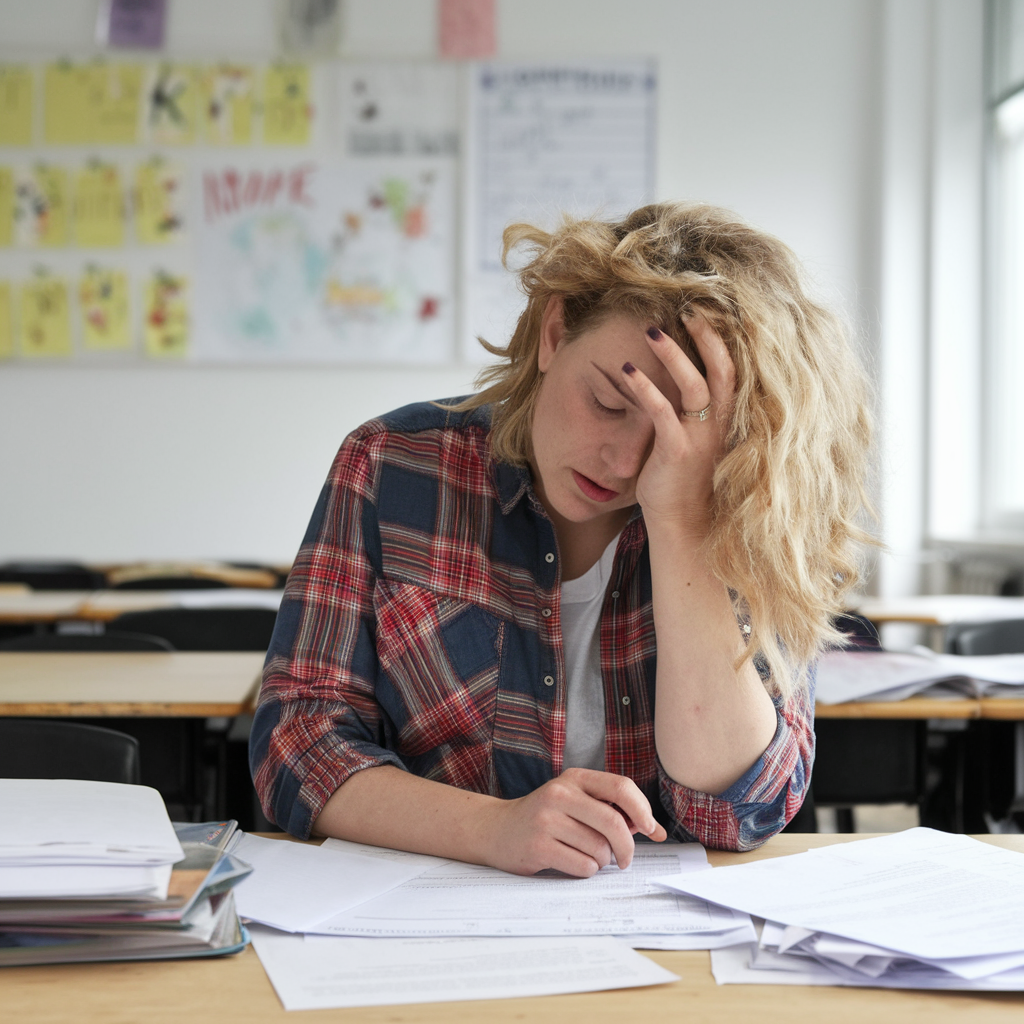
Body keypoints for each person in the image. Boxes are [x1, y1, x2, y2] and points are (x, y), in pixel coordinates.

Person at [251, 202, 874, 877]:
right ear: (555, 331)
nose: (622, 462)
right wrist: (494, 829)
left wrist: (681, 520)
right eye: (610, 402)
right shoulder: (392, 467)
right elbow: (297, 745)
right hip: (431, 909)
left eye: (673, 432)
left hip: (671, 936)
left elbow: (735, 814)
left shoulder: (750, 507)